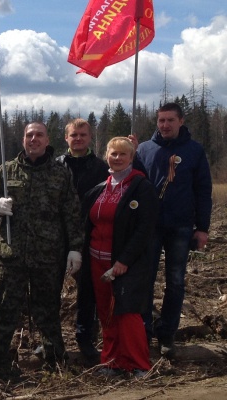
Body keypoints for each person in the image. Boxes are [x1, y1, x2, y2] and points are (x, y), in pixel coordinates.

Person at [0, 121, 83, 374]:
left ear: (47, 140)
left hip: (48, 255)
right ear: (23, 140)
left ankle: (55, 360)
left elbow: (72, 213)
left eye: (39, 135)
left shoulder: (60, 173)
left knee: (48, 310)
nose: (34, 139)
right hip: (12, 254)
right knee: (5, 308)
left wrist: (75, 248)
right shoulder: (7, 170)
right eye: (29, 135)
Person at [134, 102, 212, 358]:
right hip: (150, 227)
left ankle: (167, 334)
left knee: (176, 281)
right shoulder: (144, 150)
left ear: (181, 121)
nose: (165, 125)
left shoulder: (194, 151)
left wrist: (202, 228)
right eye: (161, 120)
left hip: (181, 226)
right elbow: (133, 186)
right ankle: (144, 332)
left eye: (170, 120)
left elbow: (203, 190)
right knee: (145, 280)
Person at [82, 137, 158, 377]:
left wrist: (124, 260)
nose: (117, 158)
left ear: (131, 157)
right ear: (106, 156)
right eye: (113, 153)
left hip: (127, 263)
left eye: (123, 154)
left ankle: (138, 364)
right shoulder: (100, 189)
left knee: (127, 311)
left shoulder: (141, 187)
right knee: (106, 312)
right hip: (97, 260)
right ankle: (112, 362)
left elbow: (145, 229)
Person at [56, 118, 109, 361]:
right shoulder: (55, 166)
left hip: (89, 236)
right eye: (73, 135)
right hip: (56, 237)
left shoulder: (101, 168)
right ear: (66, 138)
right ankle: (51, 339)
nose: (78, 139)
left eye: (83, 135)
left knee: (87, 290)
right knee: (50, 290)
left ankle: (85, 337)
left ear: (89, 137)